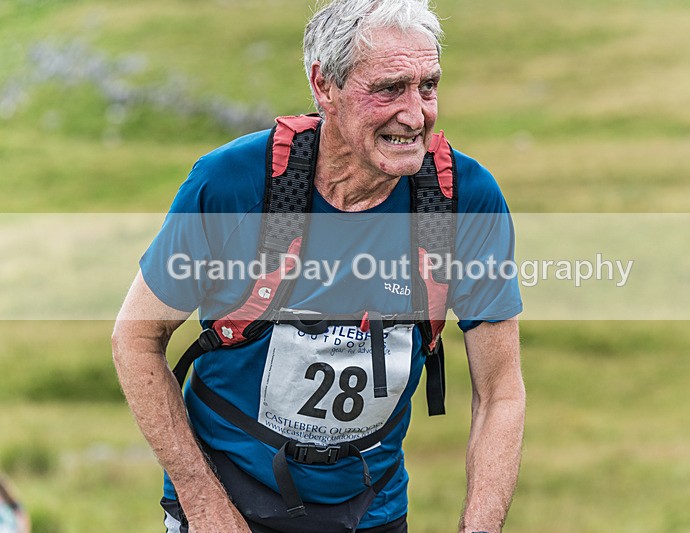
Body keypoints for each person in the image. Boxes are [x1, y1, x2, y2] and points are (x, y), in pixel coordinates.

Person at [112, 0, 525, 531]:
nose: (415, 114)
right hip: (227, 495)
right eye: (389, 89)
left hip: (370, 507)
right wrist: (205, 507)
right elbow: (135, 339)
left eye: (427, 86)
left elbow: (500, 393)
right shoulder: (233, 184)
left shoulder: (462, 199)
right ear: (324, 85)